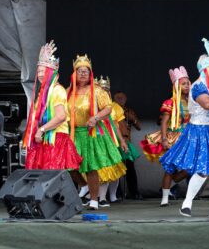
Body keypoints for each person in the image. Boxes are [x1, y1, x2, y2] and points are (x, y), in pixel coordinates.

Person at [159, 38, 209, 217]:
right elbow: (208, 104)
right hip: (201, 132)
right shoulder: (198, 87)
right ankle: (186, 203)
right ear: (207, 69)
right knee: (202, 169)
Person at [67, 54, 126, 210]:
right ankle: (84, 185)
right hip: (74, 133)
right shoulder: (68, 92)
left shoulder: (98, 91)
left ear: (90, 73)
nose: (83, 73)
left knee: (92, 166)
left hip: (91, 133)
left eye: (86, 70)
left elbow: (108, 107)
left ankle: (94, 201)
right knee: (70, 165)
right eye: (79, 70)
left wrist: (95, 117)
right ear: (74, 73)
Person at [23, 41, 82, 171]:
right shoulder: (42, 93)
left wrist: (41, 129)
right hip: (44, 140)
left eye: (44, 71)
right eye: (38, 71)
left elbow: (61, 116)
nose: (40, 74)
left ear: (51, 72)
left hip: (55, 139)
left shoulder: (57, 90)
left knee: (51, 178)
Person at [140, 66, 191, 206]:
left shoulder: (193, 102)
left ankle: (173, 182)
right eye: (184, 83)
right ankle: (165, 199)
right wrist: (163, 138)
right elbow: (164, 122)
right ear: (177, 86)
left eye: (188, 83)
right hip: (172, 136)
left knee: (191, 166)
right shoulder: (170, 102)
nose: (187, 85)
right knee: (170, 168)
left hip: (187, 138)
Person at [94, 76, 132, 206]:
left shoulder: (114, 107)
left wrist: (123, 141)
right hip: (95, 140)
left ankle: (108, 197)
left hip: (111, 141)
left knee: (112, 169)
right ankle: (90, 196)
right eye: (101, 89)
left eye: (106, 89)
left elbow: (117, 126)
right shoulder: (91, 105)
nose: (103, 92)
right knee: (96, 170)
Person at [113, 91, 142, 199]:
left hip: (126, 141)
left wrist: (132, 119)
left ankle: (134, 192)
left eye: (122, 98)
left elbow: (139, 127)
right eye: (118, 98)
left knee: (130, 167)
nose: (120, 100)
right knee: (115, 167)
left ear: (125, 99)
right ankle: (116, 193)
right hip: (113, 142)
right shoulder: (111, 108)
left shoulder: (129, 110)